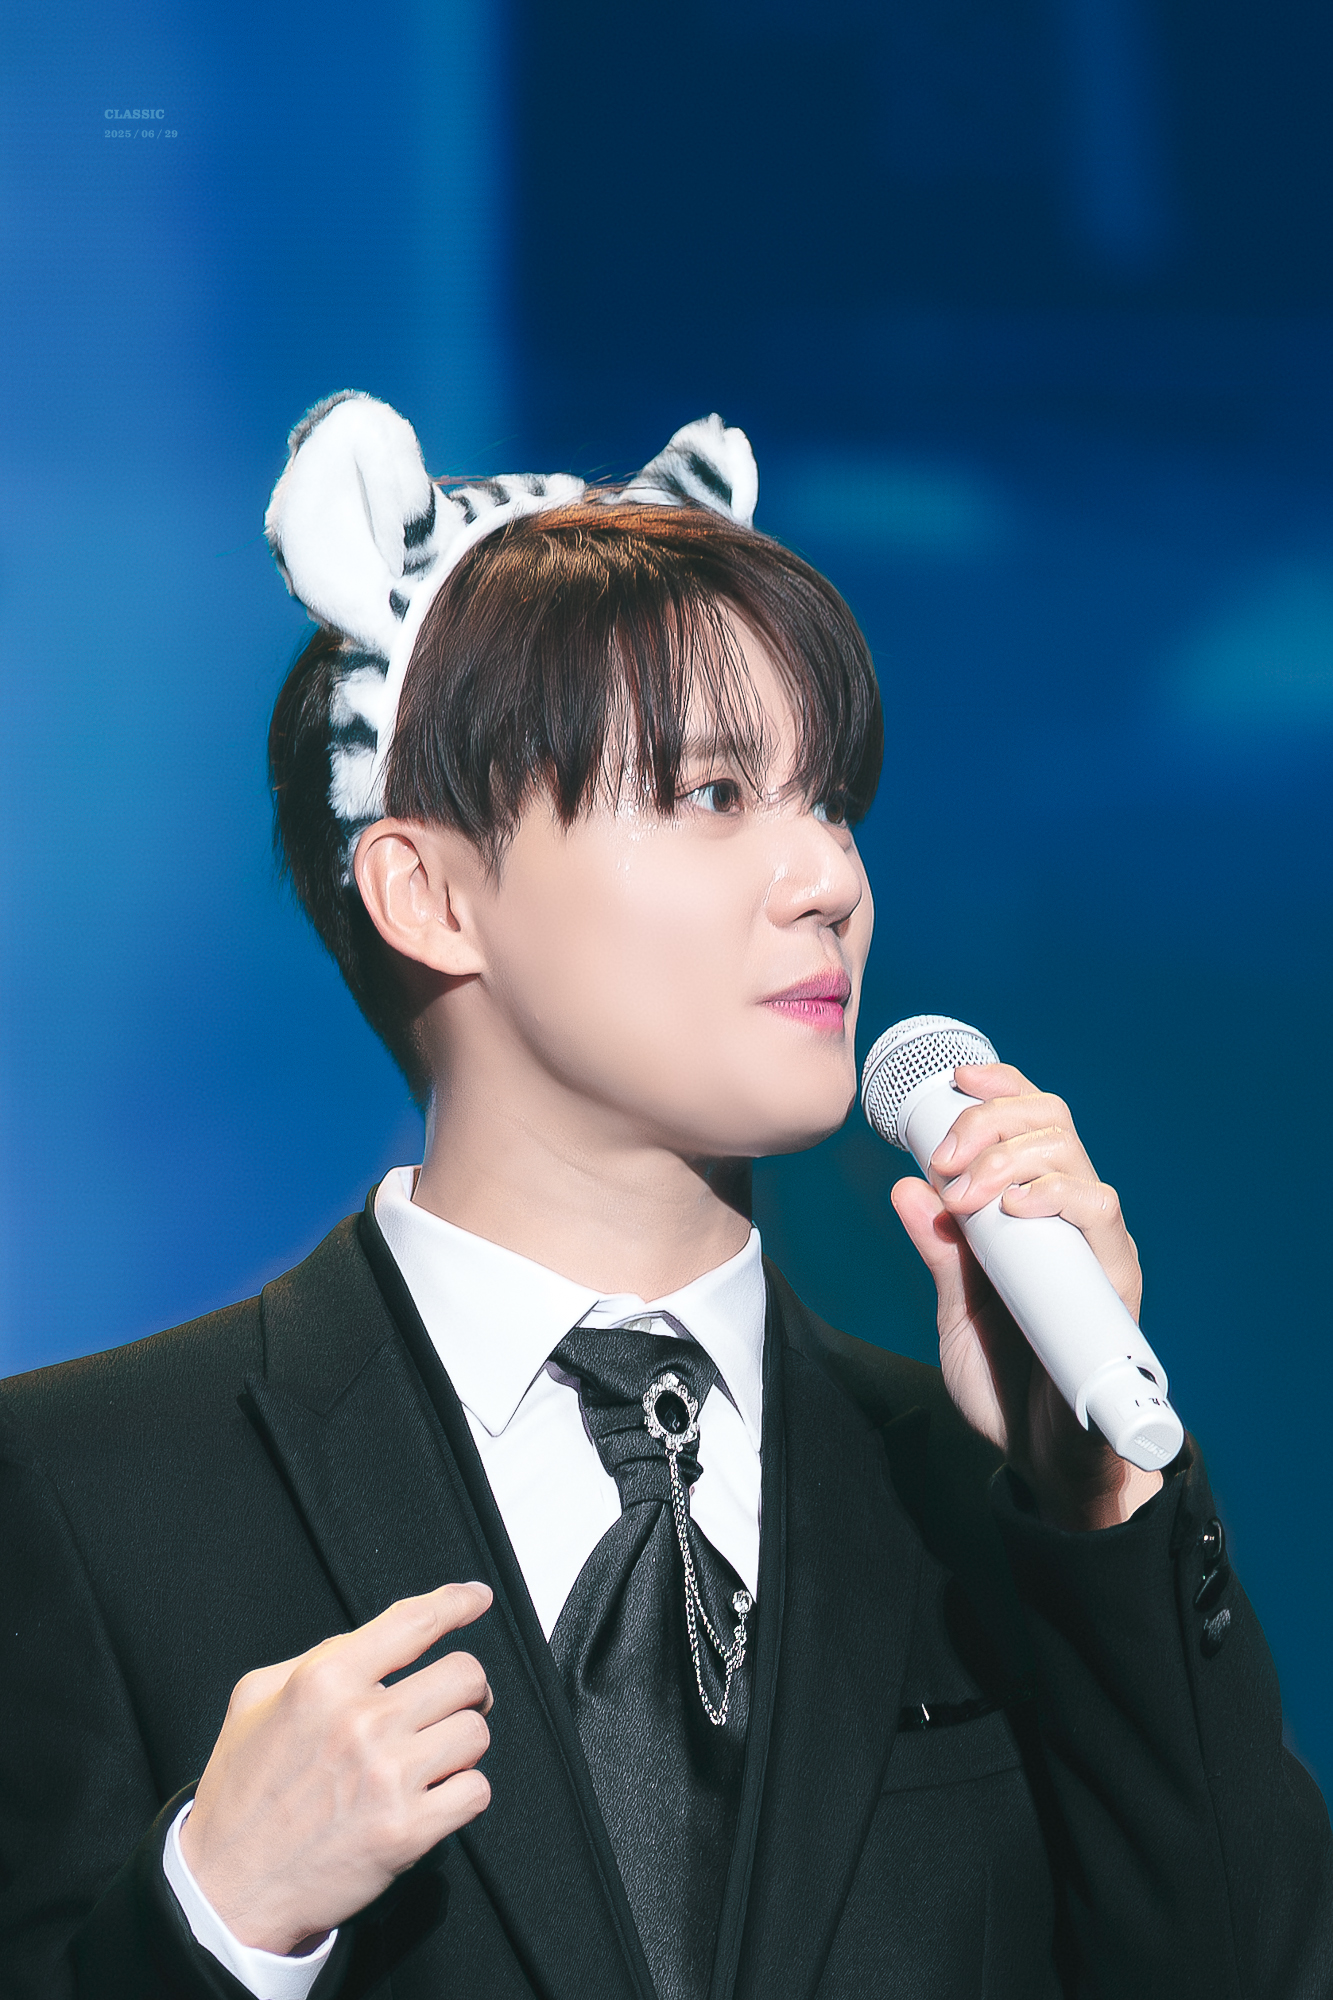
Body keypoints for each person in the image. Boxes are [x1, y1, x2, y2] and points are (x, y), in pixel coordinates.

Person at [1, 392, 1329, 2000]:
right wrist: (218, 1916)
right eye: (709, 795)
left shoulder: (975, 1494)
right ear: (428, 892)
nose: (826, 878)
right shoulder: (86, 1490)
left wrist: (1094, 1506)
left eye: (827, 799)